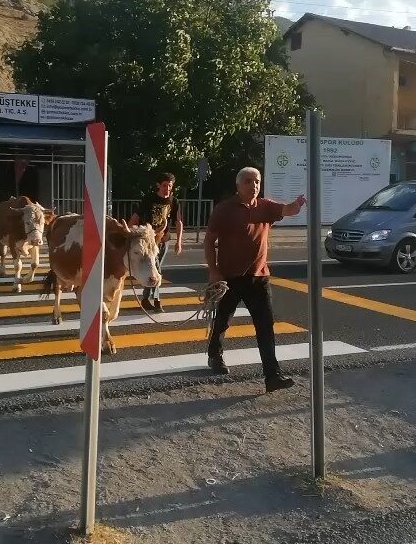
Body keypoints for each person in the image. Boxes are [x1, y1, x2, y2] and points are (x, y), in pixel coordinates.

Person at [204, 166, 306, 393]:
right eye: (249, 181)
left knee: (265, 327)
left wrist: (297, 205)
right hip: (230, 278)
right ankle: (215, 354)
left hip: (259, 278)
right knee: (223, 320)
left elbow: (287, 210)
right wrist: (214, 271)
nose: (254, 185)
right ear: (238, 186)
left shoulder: (265, 207)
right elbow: (209, 240)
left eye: (257, 181)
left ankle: (272, 376)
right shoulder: (224, 209)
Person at [130, 172, 183, 312]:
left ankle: (146, 299)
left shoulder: (174, 201)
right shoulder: (149, 199)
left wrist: (179, 241)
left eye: (170, 186)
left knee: (154, 270)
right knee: (156, 270)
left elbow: (178, 222)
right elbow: (136, 216)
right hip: (148, 242)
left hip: (163, 240)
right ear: (158, 185)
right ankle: (157, 300)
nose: (167, 188)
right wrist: (127, 232)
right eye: (164, 185)